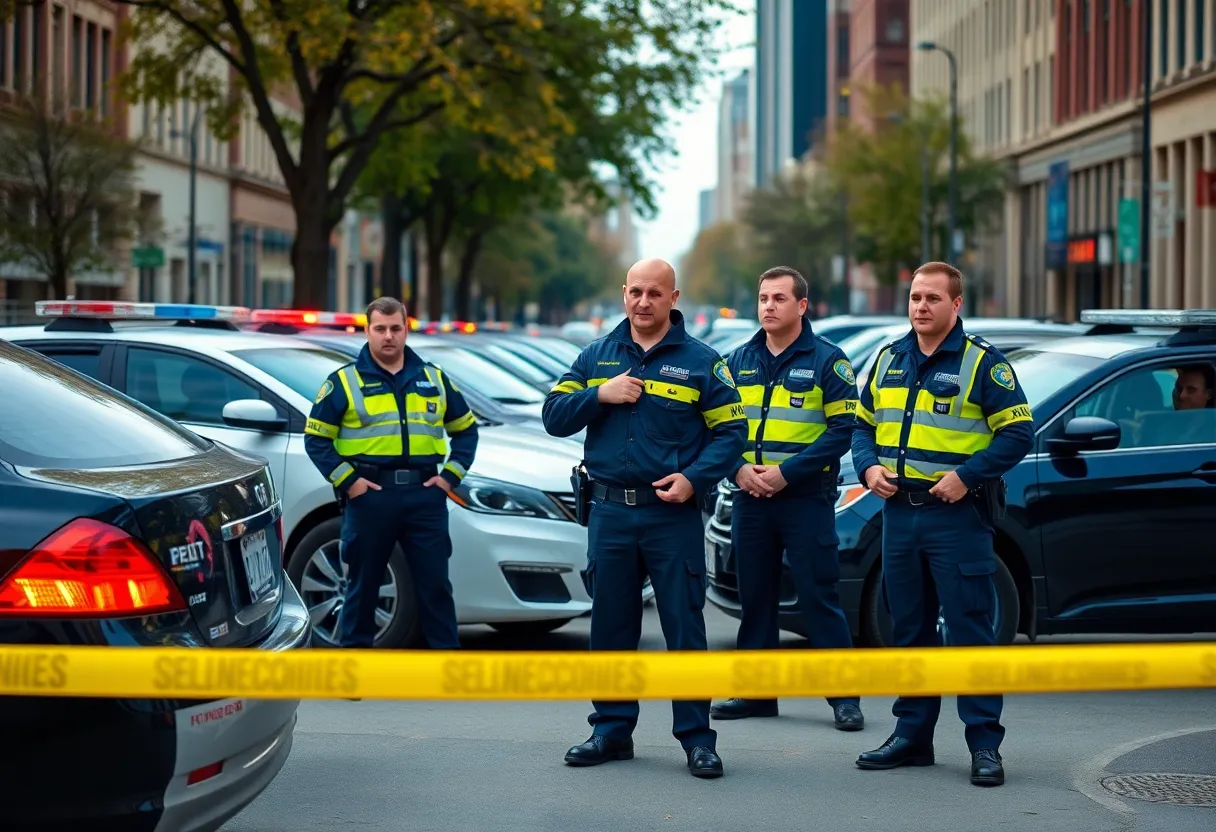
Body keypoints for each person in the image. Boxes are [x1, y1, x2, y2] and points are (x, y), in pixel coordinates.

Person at [542, 257, 747, 779]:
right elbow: (553, 417)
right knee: (611, 627)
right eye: (636, 291)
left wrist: (694, 479)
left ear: (673, 299)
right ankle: (611, 731)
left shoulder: (702, 362)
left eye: (655, 293)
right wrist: (599, 394)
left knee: (684, 627)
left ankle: (697, 740)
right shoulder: (597, 356)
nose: (643, 301)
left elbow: (731, 433)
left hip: (670, 516)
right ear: (624, 293)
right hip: (609, 512)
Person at [850, 262, 1033, 788]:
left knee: (970, 630)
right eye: (915, 297)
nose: (921, 306)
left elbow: (1018, 433)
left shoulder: (982, 363)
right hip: (899, 514)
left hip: (956, 517)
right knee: (908, 629)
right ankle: (912, 737)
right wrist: (868, 468)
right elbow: (863, 425)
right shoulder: (888, 357)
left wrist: (967, 476)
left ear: (956, 305)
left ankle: (984, 745)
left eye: (932, 298)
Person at [708, 267, 865, 731]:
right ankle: (757, 693)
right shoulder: (737, 361)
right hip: (750, 498)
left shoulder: (828, 360)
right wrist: (738, 469)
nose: (769, 306)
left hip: (805, 499)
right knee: (755, 597)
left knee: (819, 595)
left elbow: (842, 431)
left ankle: (844, 698)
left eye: (779, 298)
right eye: (763, 298)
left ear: (802, 305)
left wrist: (785, 474)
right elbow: (717, 427)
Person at [304, 296, 479, 650]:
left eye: (395, 328)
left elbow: (466, 431)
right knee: (362, 588)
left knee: (436, 587)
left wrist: (448, 479)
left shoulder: (433, 377)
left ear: (406, 329)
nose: (388, 336)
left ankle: (448, 667)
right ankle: (355, 667)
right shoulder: (343, 382)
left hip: (425, 497)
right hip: (371, 498)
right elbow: (316, 440)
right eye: (380, 329)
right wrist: (350, 483)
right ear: (367, 331)